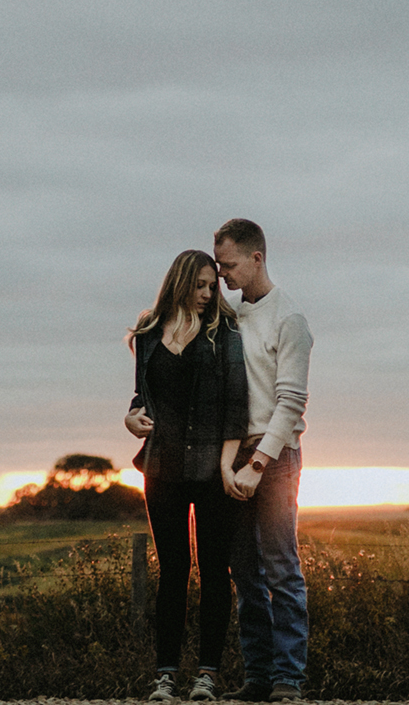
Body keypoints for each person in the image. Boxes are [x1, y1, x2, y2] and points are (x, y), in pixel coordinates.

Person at [126, 249, 249, 703]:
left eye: (211, 286)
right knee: (173, 572)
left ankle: (207, 677)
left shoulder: (224, 332)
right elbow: (141, 398)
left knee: (216, 572)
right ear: (178, 282)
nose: (206, 294)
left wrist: (225, 464)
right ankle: (165, 678)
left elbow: (238, 404)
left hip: (213, 471)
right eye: (198, 285)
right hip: (161, 470)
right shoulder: (148, 333)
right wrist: (131, 418)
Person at [215, 218, 312, 702]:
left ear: (257, 258)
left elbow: (291, 401)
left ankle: (288, 681)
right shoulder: (228, 316)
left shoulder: (289, 319)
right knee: (243, 572)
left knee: (280, 568)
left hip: (275, 457)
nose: (222, 275)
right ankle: (256, 678)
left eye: (229, 265)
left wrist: (257, 466)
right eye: (218, 266)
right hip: (233, 453)